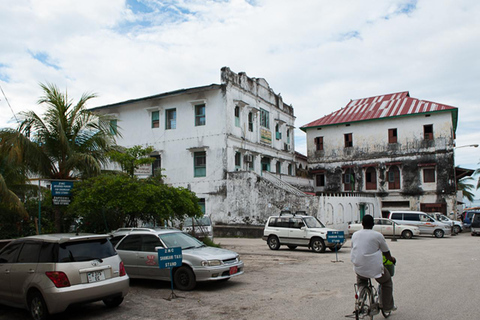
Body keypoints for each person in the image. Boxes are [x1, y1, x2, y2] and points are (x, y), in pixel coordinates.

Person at [350, 215, 396, 313]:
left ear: (362, 224)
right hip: (374, 268)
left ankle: (361, 300)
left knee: (361, 281)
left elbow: (354, 248)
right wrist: (392, 259)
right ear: (373, 224)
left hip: (359, 267)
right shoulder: (378, 235)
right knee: (386, 282)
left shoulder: (355, 235)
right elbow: (386, 253)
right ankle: (387, 306)